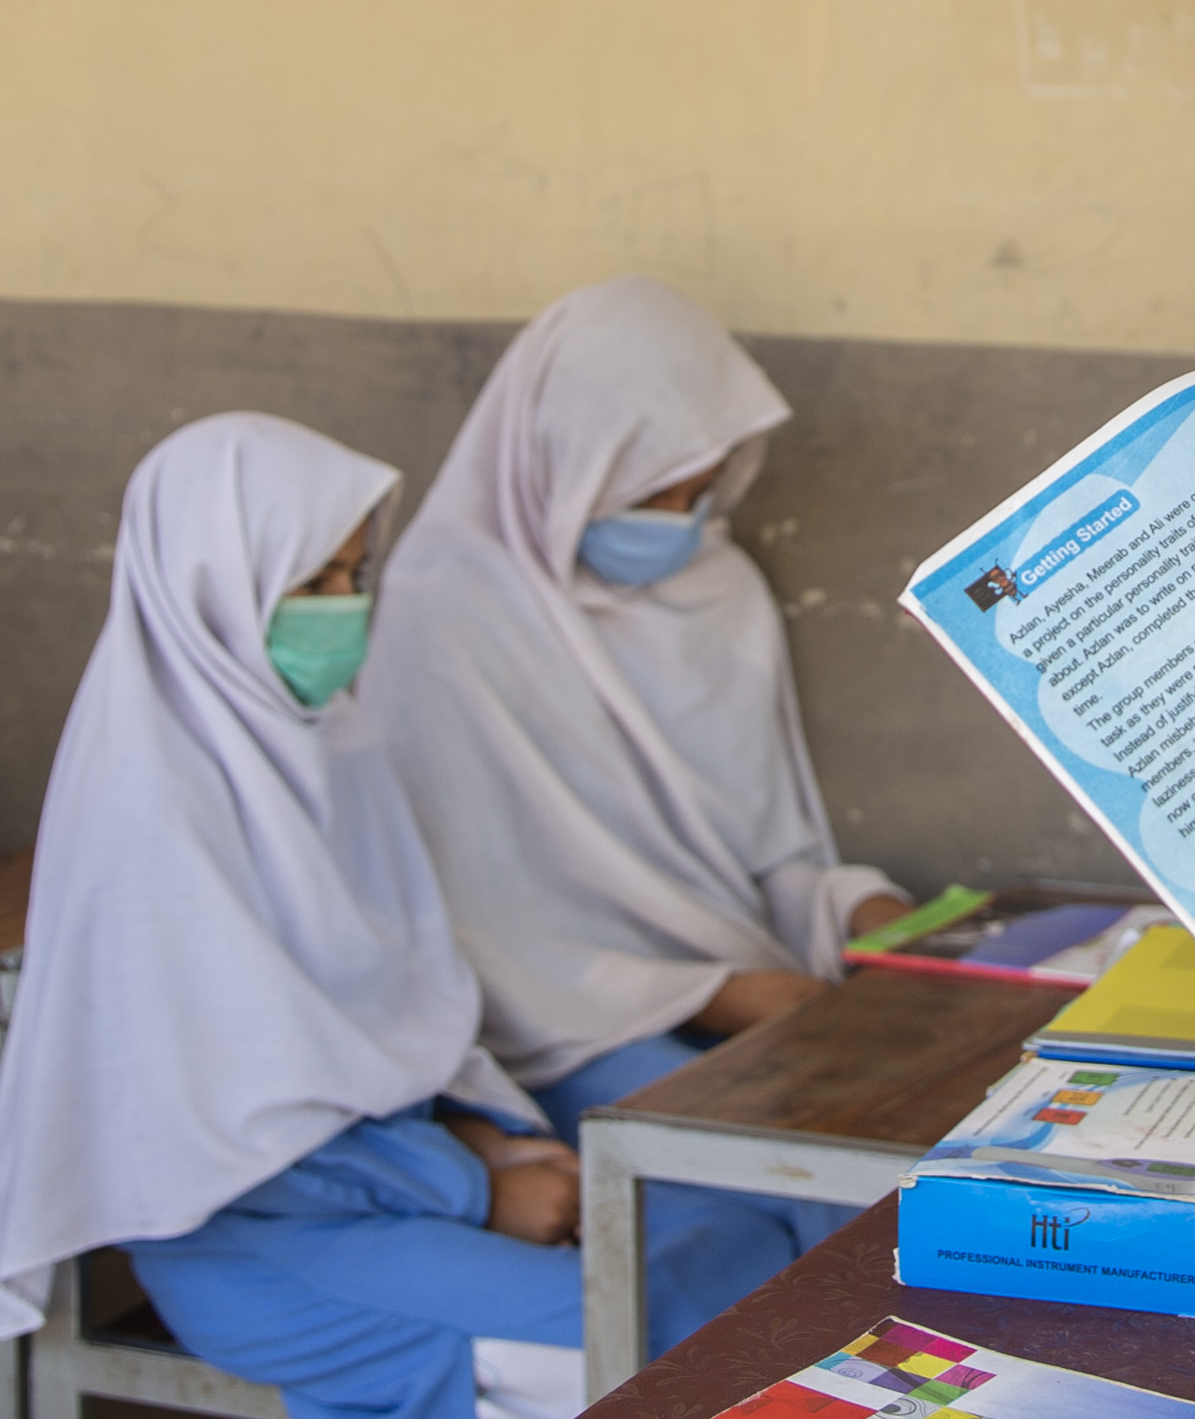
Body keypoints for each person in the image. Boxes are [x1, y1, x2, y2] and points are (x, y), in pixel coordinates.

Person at [0, 416, 798, 1419]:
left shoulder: (322, 749)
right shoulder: (154, 819)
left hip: (393, 1182)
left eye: (354, 573)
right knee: (628, 1338)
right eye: (305, 580)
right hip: (262, 1239)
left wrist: (485, 1142)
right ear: (212, 588)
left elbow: (385, 1029)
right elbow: (229, 1147)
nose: (341, 607)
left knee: (730, 1249)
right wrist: (474, 1183)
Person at [372, 277, 909, 1271]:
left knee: (881, 1191)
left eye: (698, 485)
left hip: (755, 986)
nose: (677, 515)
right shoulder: (438, 615)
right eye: (648, 489)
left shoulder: (716, 586)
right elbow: (467, 924)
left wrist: (864, 913)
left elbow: (766, 851)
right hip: (563, 1024)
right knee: (743, 1210)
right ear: (557, 462)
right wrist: (713, 994)